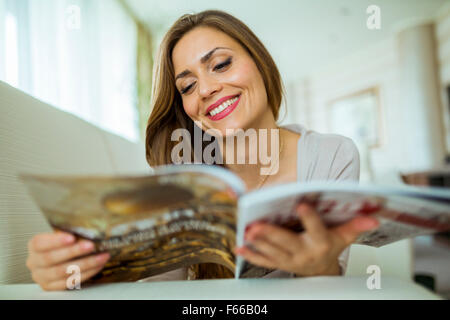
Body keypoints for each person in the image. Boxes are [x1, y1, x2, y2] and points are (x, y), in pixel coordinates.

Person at [26, 10, 379, 290]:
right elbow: (162, 289)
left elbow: (328, 287)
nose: (206, 89)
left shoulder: (332, 155)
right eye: (188, 85)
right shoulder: (182, 177)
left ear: (259, 61)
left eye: (221, 64)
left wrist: (319, 269)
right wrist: (77, 274)